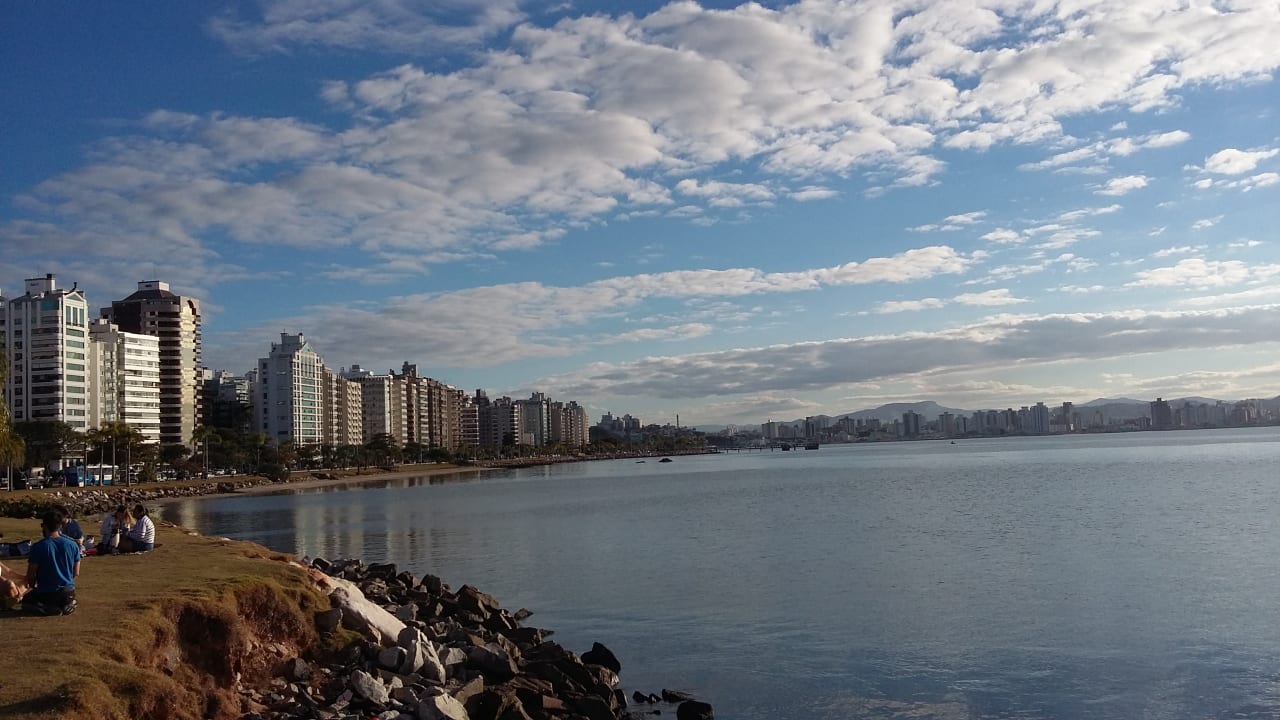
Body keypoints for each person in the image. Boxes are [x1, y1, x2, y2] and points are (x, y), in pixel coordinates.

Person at [24, 511, 80, 615]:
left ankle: (46, 608)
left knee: (27, 601)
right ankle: (69, 603)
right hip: (67, 591)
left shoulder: (38, 547)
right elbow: (76, 572)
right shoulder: (72, 545)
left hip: (47, 592)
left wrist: (34, 586)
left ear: (44, 526)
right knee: (65, 598)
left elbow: (31, 575)